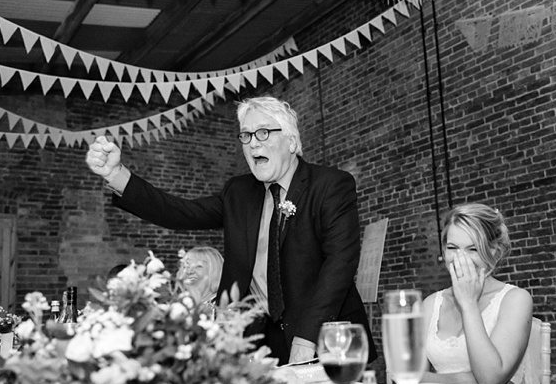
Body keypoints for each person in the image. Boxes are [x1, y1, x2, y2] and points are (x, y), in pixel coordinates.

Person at [85, 96, 374, 365]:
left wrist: (307, 337)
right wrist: (116, 174)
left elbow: (340, 263)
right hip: (259, 341)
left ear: (291, 141)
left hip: (326, 336)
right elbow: (179, 212)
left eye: (263, 133)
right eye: (246, 135)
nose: (253, 144)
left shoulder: (330, 185)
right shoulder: (239, 193)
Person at [421, 203, 533, 384]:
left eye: (472, 249)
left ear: (494, 251)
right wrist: (467, 383)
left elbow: (489, 380)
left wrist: (468, 303)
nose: (460, 258)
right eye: (452, 247)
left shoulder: (516, 299)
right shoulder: (431, 304)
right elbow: (407, 377)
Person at [176, 247, 223, 313]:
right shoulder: (179, 306)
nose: (189, 271)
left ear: (214, 270)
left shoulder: (224, 307)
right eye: (186, 266)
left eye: (198, 266)